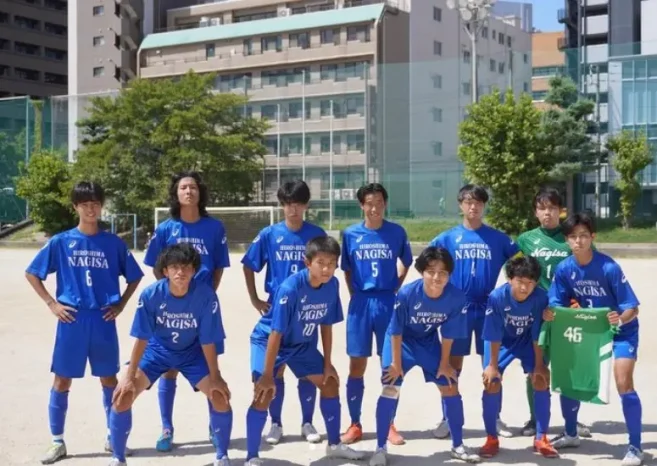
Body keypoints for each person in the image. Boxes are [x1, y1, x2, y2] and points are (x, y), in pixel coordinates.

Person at [25, 181, 143, 465]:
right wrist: (52, 303)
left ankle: (111, 436)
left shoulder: (113, 243)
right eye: (84, 204)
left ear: (101, 206)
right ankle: (57, 440)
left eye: (95, 204)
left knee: (109, 379)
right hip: (72, 319)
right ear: (75, 207)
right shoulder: (62, 241)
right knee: (62, 379)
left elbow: (135, 276)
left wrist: (121, 303)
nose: (91, 209)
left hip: (102, 318)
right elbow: (33, 273)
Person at [108, 243, 232, 466]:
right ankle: (118, 458)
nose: (180, 272)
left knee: (220, 397)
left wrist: (215, 375)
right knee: (122, 396)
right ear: (165, 271)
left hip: (191, 353)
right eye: (174, 267)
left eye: (186, 267)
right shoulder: (151, 295)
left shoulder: (206, 296)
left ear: (194, 270)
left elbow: (208, 339)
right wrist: (129, 375)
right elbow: (142, 338)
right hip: (157, 351)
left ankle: (222, 456)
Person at [244, 236, 364, 465]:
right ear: (307, 262)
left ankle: (334, 445)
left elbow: (326, 324)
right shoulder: (290, 288)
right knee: (264, 392)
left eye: (332, 263)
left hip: (301, 344)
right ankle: (252, 456)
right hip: (269, 341)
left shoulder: (333, 284)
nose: (327, 268)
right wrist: (268, 375)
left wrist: (327, 363)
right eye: (321, 263)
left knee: (330, 381)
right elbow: (275, 333)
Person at [545, 213, 643, 466]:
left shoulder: (608, 267)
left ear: (592, 237)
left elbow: (633, 308)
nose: (579, 241)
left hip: (621, 330)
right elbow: (556, 303)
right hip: (587, 331)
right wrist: (557, 312)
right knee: (569, 379)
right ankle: (571, 432)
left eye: (584, 236)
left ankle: (635, 446)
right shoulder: (565, 268)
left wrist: (619, 321)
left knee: (623, 382)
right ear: (566, 240)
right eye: (573, 237)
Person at [143, 171, 230, 451]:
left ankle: (213, 426)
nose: (189, 191)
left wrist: (205, 296)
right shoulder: (167, 228)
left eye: (193, 187)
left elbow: (218, 267)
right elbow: (157, 268)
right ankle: (166, 428)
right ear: (176, 193)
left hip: (203, 309)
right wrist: (173, 296)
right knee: (168, 369)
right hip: (172, 309)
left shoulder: (214, 227)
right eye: (183, 187)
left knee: (209, 369)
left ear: (200, 192)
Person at [370, 247, 480, 466]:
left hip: (428, 342)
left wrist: (444, 364)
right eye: (431, 271)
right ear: (422, 272)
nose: (437, 277)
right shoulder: (407, 293)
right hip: (401, 342)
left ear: (450, 274)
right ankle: (380, 448)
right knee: (390, 386)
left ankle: (458, 446)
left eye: (443, 272)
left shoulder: (456, 297)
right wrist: (396, 362)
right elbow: (396, 329)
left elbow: (448, 334)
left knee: (450, 384)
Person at [429, 184, 518, 439]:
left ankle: (494, 418)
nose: (473, 206)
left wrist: (509, 293)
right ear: (460, 205)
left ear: (484, 205)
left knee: (493, 364)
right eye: (468, 202)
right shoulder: (447, 238)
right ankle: (448, 417)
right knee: (451, 365)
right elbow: (425, 265)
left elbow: (521, 265)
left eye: (478, 202)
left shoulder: (498, 238)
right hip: (458, 308)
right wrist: (440, 294)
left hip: (488, 307)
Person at [241, 180, 325, 445]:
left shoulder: (316, 234)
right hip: (277, 309)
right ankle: (275, 423)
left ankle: (308, 422)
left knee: (307, 369)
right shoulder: (269, 234)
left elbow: (326, 268)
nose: (294, 209)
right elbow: (248, 264)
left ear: (306, 205)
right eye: (289, 204)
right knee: (275, 369)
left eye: (299, 204)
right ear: (282, 205)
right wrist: (255, 298)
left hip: (307, 311)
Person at [340, 183, 414, 445]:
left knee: (391, 365)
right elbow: (346, 269)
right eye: (369, 203)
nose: (374, 208)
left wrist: (395, 286)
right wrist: (354, 293)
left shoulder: (396, 232)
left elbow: (407, 261)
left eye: (379, 202)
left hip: (387, 301)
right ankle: (355, 423)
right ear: (362, 205)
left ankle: (389, 423)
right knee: (356, 365)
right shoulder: (349, 234)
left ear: (385, 203)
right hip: (361, 303)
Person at [515, 188, 590, 438]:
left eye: (553, 208)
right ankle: (534, 418)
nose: (548, 212)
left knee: (568, 368)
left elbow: (587, 270)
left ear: (561, 210)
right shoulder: (525, 239)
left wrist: (581, 300)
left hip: (566, 312)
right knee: (535, 366)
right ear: (536, 212)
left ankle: (572, 421)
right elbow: (515, 272)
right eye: (542, 208)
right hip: (536, 313)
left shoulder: (571, 237)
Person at [478, 256, 558, 459]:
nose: (525, 287)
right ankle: (491, 438)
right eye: (520, 281)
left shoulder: (540, 297)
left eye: (530, 282)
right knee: (491, 381)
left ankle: (541, 437)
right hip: (502, 342)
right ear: (510, 279)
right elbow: (493, 334)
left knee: (540, 380)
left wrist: (539, 365)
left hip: (527, 342)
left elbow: (537, 334)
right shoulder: (497, 297)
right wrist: (492, 365)